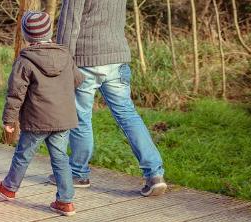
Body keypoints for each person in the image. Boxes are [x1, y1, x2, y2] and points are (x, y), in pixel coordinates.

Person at [49, 0, 167, 197]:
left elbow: (69, 25)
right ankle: (155, 175)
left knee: (81, 117)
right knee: (128, 115)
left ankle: (78, 173)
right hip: (117, 58)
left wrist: (63, 62)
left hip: (86, 60)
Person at [0, 11, 84, 216]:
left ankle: (9, 187)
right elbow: (78, 79)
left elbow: (16, 94)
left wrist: (9, 119)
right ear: (50, 32)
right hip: (63, 119)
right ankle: (66, 202)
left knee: (23, 155)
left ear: (27, 35)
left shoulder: (25, 60)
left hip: (37, 121)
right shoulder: (64, 55)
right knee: (60, 159)